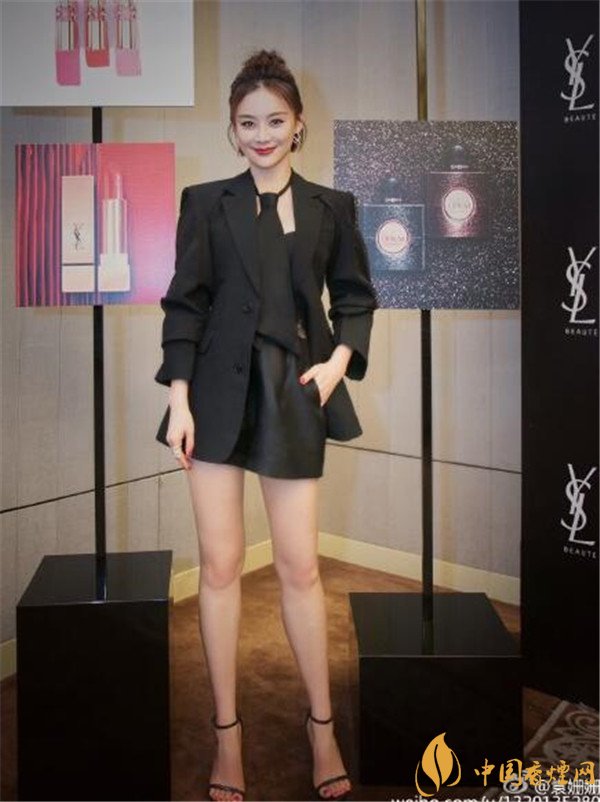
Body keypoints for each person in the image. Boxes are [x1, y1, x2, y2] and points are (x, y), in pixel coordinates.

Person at [155, 49, 377, 802]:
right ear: (232, 128)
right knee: (219, 568)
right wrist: (179, 400)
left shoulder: (331, 206)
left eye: (275, 121)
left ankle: (322, 728)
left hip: (293, 393)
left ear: (298, 124)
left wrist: (337, 364)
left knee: (299, 569)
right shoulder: (204, 202)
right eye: (247, 123)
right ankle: (227, 735)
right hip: (214, 396)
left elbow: (355, 297)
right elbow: (185, 304)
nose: (261, 135)